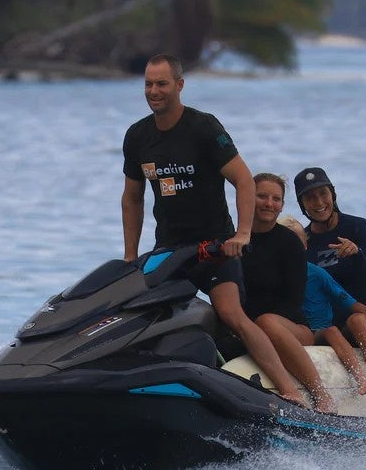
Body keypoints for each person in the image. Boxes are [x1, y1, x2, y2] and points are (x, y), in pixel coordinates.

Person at [120, 54, 312, 410]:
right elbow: (132, 198)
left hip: (215, 245)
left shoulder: (204, 127)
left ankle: (290, 391)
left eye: (161, 83)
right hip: (170, 249)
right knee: (145, 312)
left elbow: (242, 179)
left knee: (230, 314)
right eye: (148, 84)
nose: (153, 91)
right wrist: (131, 255)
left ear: (179, 85)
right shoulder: (138, 136)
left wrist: (242, 234)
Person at [278, 213, 366, 416]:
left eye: (297, 242)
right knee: (332, 331)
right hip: (299, 334)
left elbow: (348, 302)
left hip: (323, 331)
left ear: (306, 247)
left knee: (354, 321)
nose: (293, 249)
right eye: (287, 243)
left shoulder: (316, 273)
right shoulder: (273, 276)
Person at [241, 173, 337, 413]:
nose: (269, 203)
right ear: (246, 197)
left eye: (276, 199)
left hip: (294, 328)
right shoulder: (236, 241)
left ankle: (321, 396)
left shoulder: (289, 243)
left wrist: (254, 324)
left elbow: (293, 302)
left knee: (266, 321)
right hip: (249, 328)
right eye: (262, 196)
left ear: (282, 204)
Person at [293, 167, 366, 322]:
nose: (319, 202)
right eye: (310, 197)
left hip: (364, 322)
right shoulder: (302, 240)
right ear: (302, 204)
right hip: (325, 328)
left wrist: (357, 255)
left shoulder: (358, 226)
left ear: (332, 194)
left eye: (323, 193)